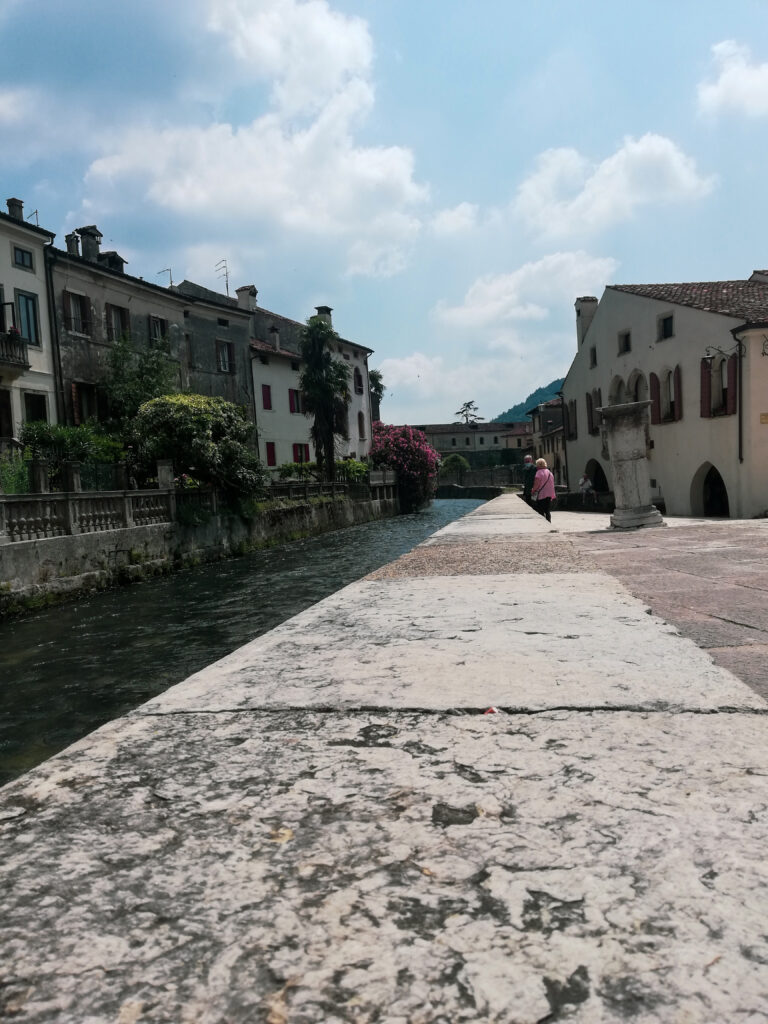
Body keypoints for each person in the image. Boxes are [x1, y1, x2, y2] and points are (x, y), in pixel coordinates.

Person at [531, 457, 556, 522]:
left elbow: (536, 484)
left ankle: (543, 523)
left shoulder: (539, 473)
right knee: (547, 510)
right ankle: (549, 523)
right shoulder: (550, 473)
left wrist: (533, 490)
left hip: (541, 494)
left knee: (540, 510)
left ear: (538, 465)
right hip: (549, 494)